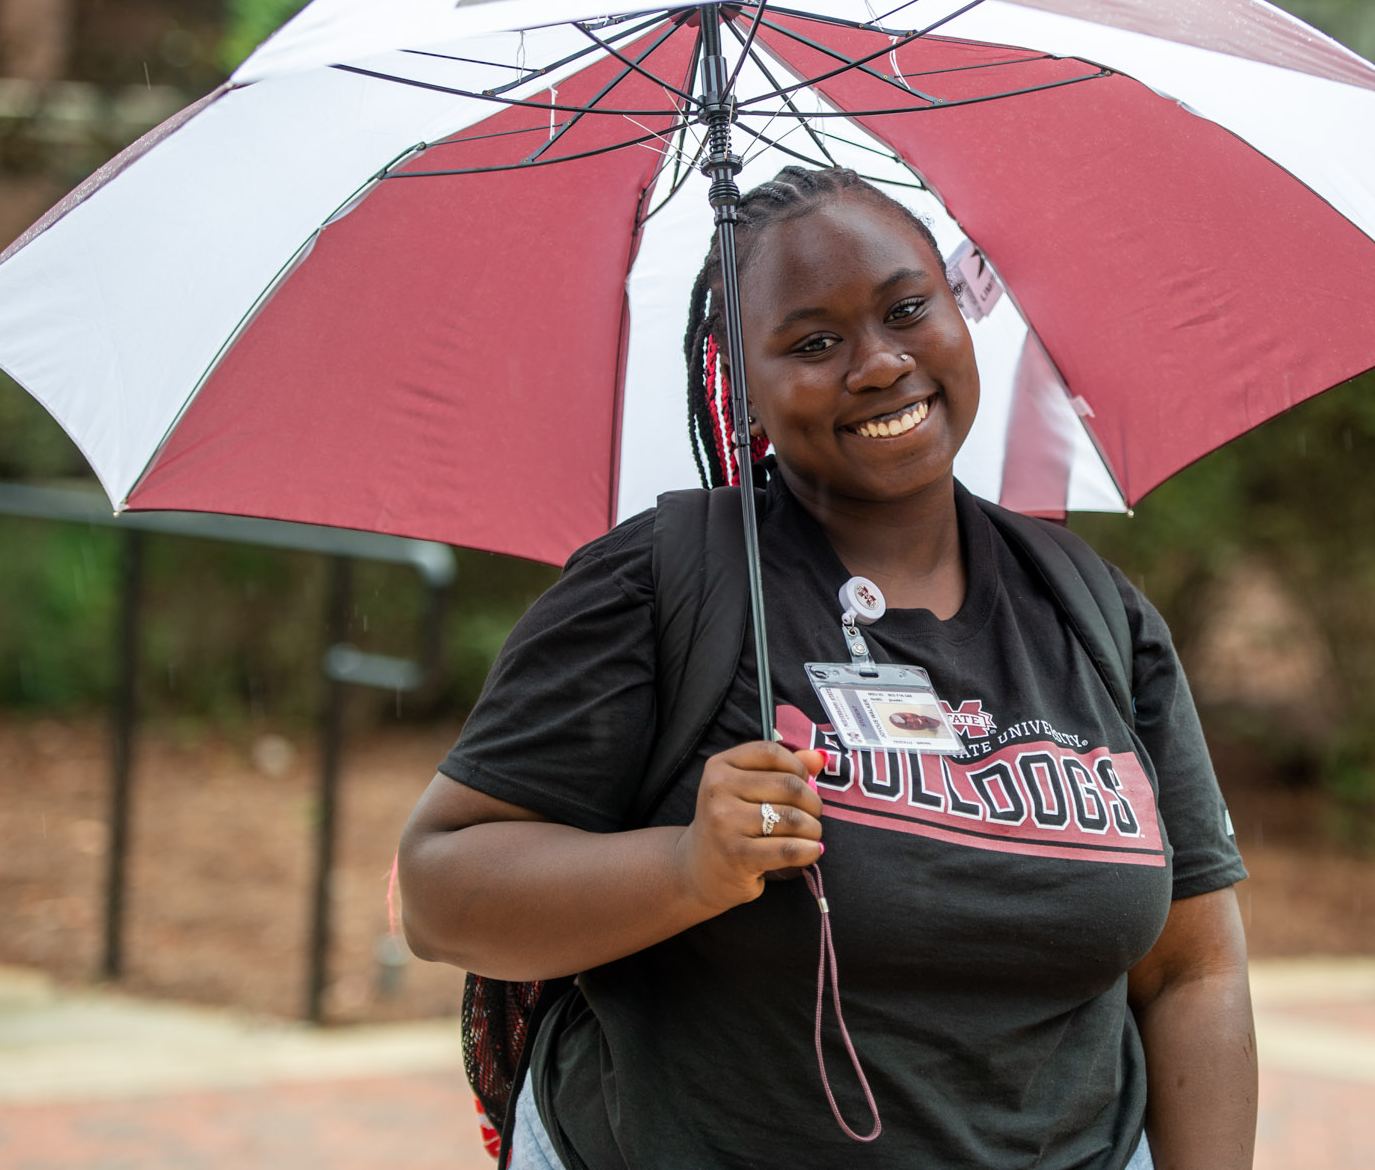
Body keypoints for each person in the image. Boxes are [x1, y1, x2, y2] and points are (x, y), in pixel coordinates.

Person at [399, 166, 1255, 1170]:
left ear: (958, 309)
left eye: (906, 308)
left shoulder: (1092, 609)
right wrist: (685, 868)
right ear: (743, 383)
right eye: (814, 342)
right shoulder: (657, 586)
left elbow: (1194, 967)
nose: (881, 362)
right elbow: (438, 888)